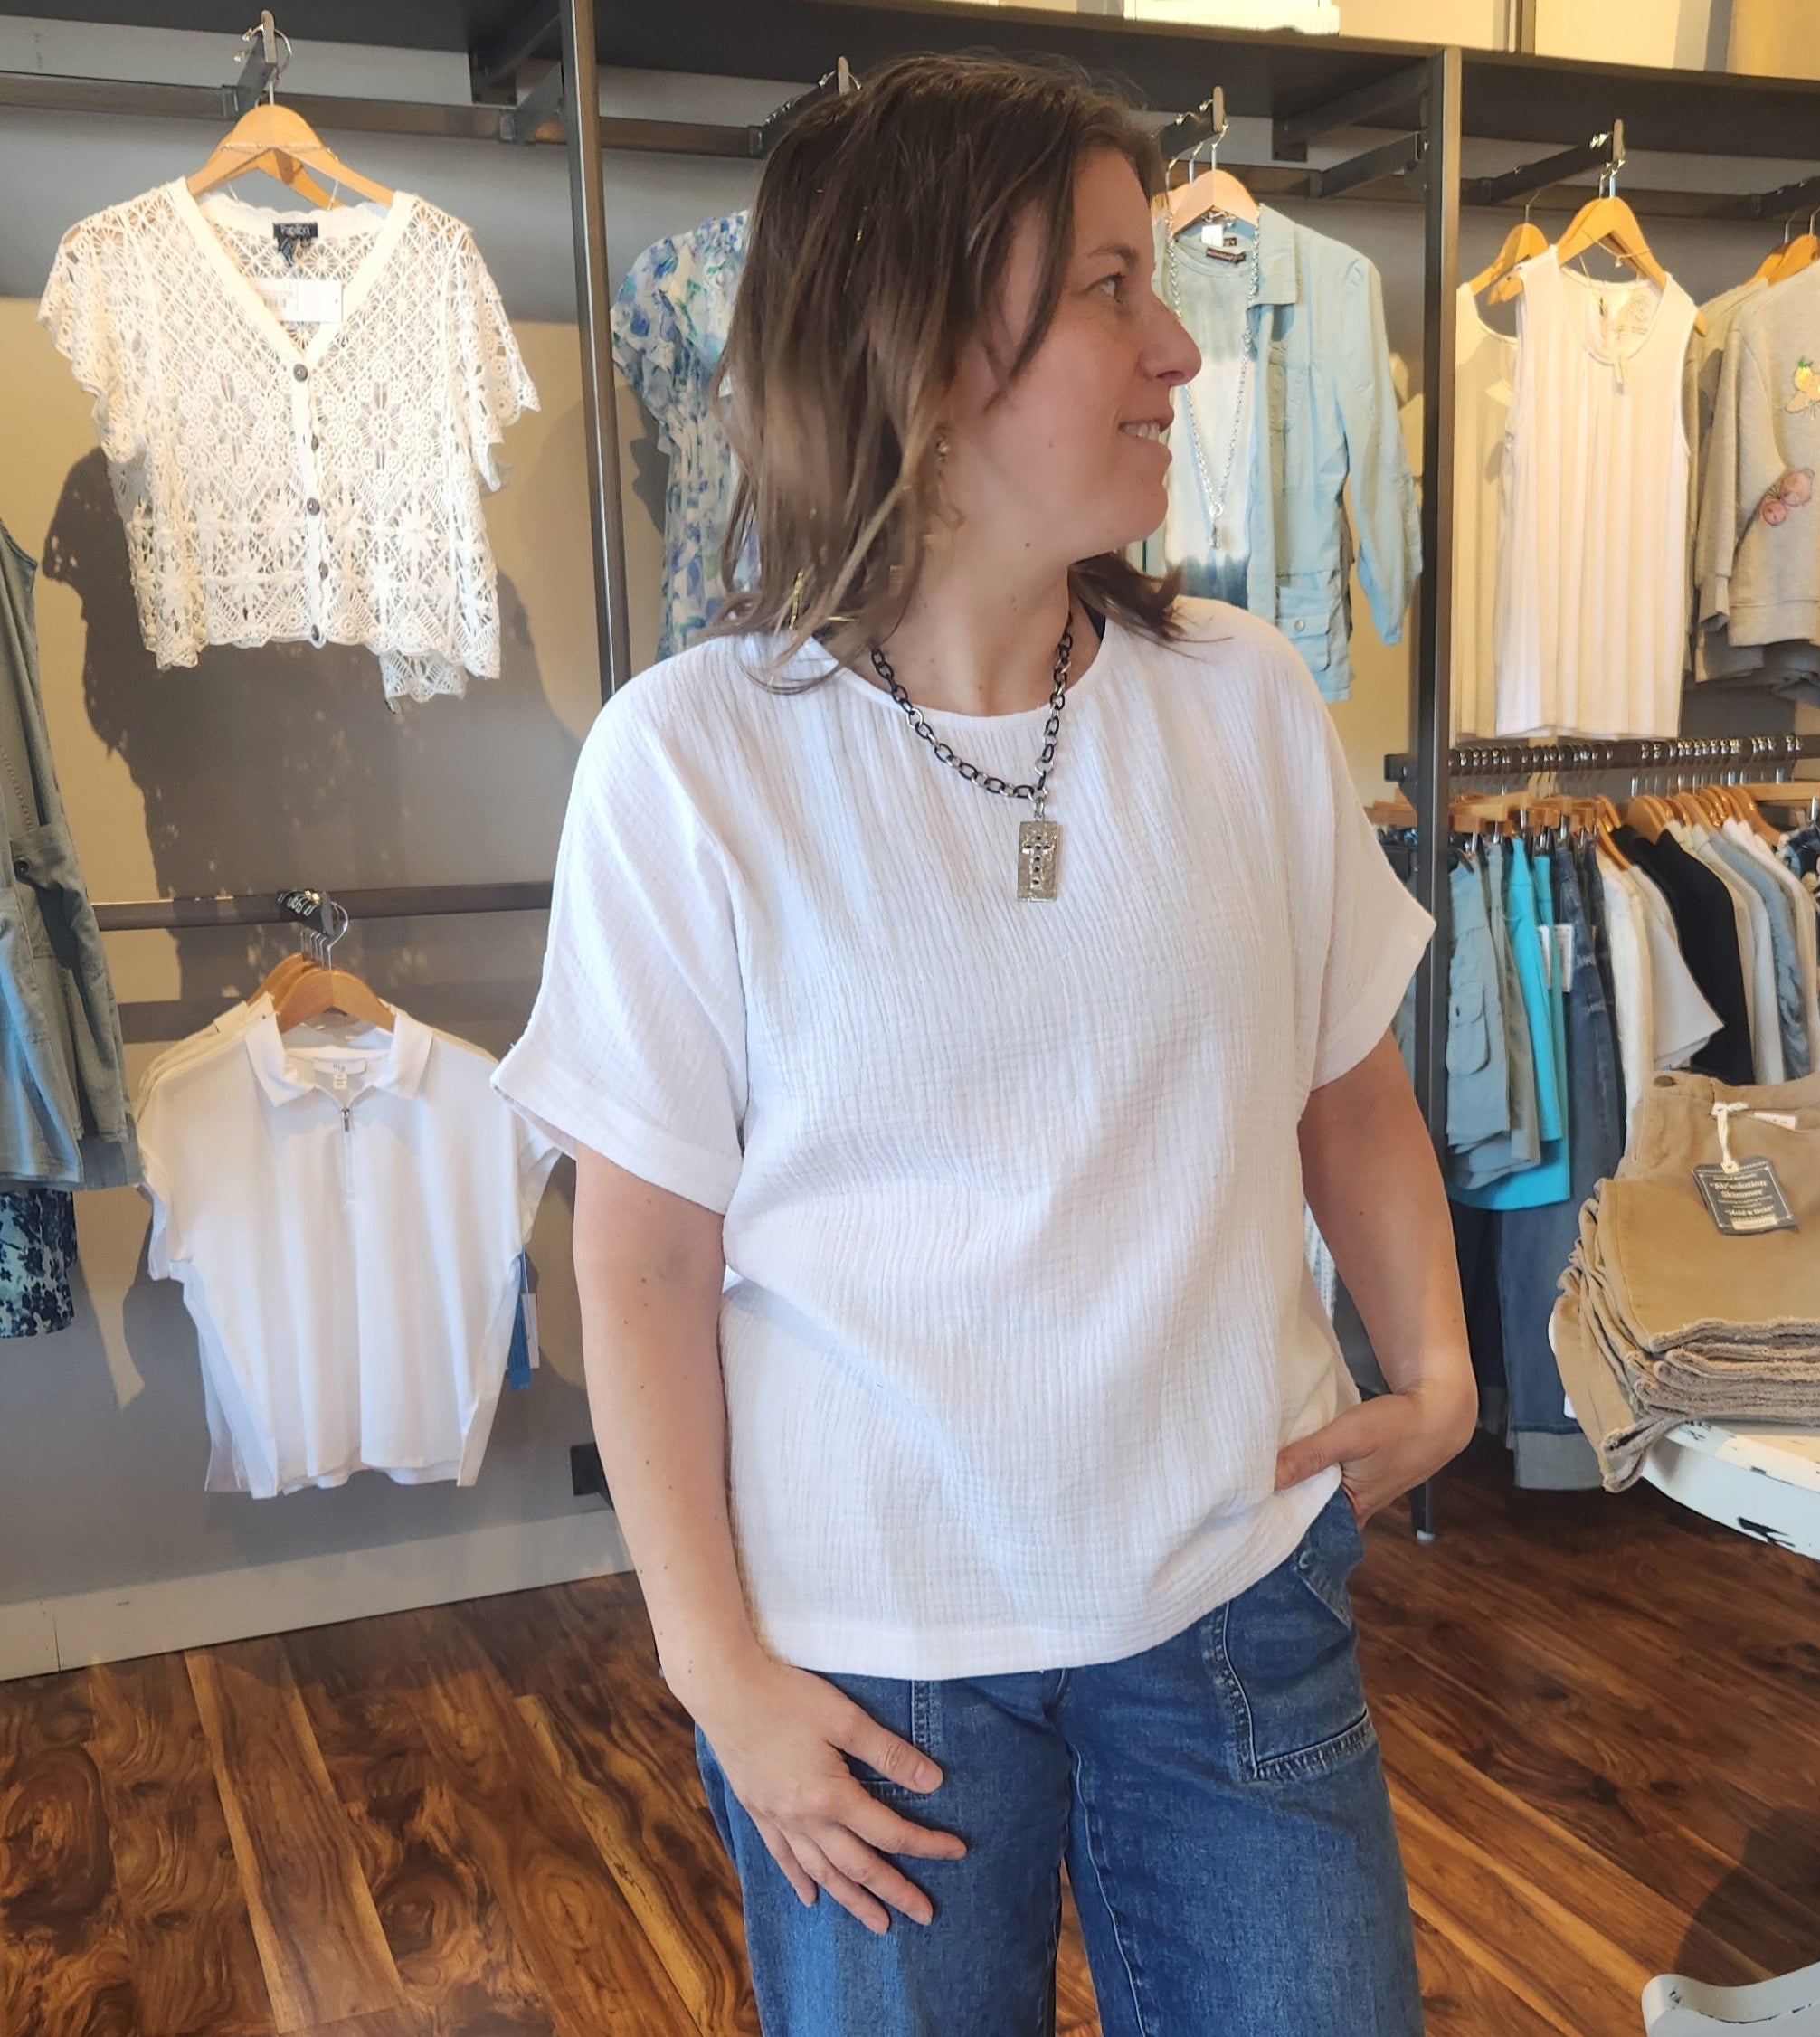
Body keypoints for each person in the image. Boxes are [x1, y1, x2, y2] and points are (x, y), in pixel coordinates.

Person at [494, 51, 1476, 2037]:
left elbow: (1347, 1085)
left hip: (1232, 1600)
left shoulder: (1241, 697)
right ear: (925, 343)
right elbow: (644, 1254)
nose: (1179, 350)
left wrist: (1443, 1371)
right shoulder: (691, 761)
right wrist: (714, 1668)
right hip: (868, 1662)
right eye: (1111, 287)